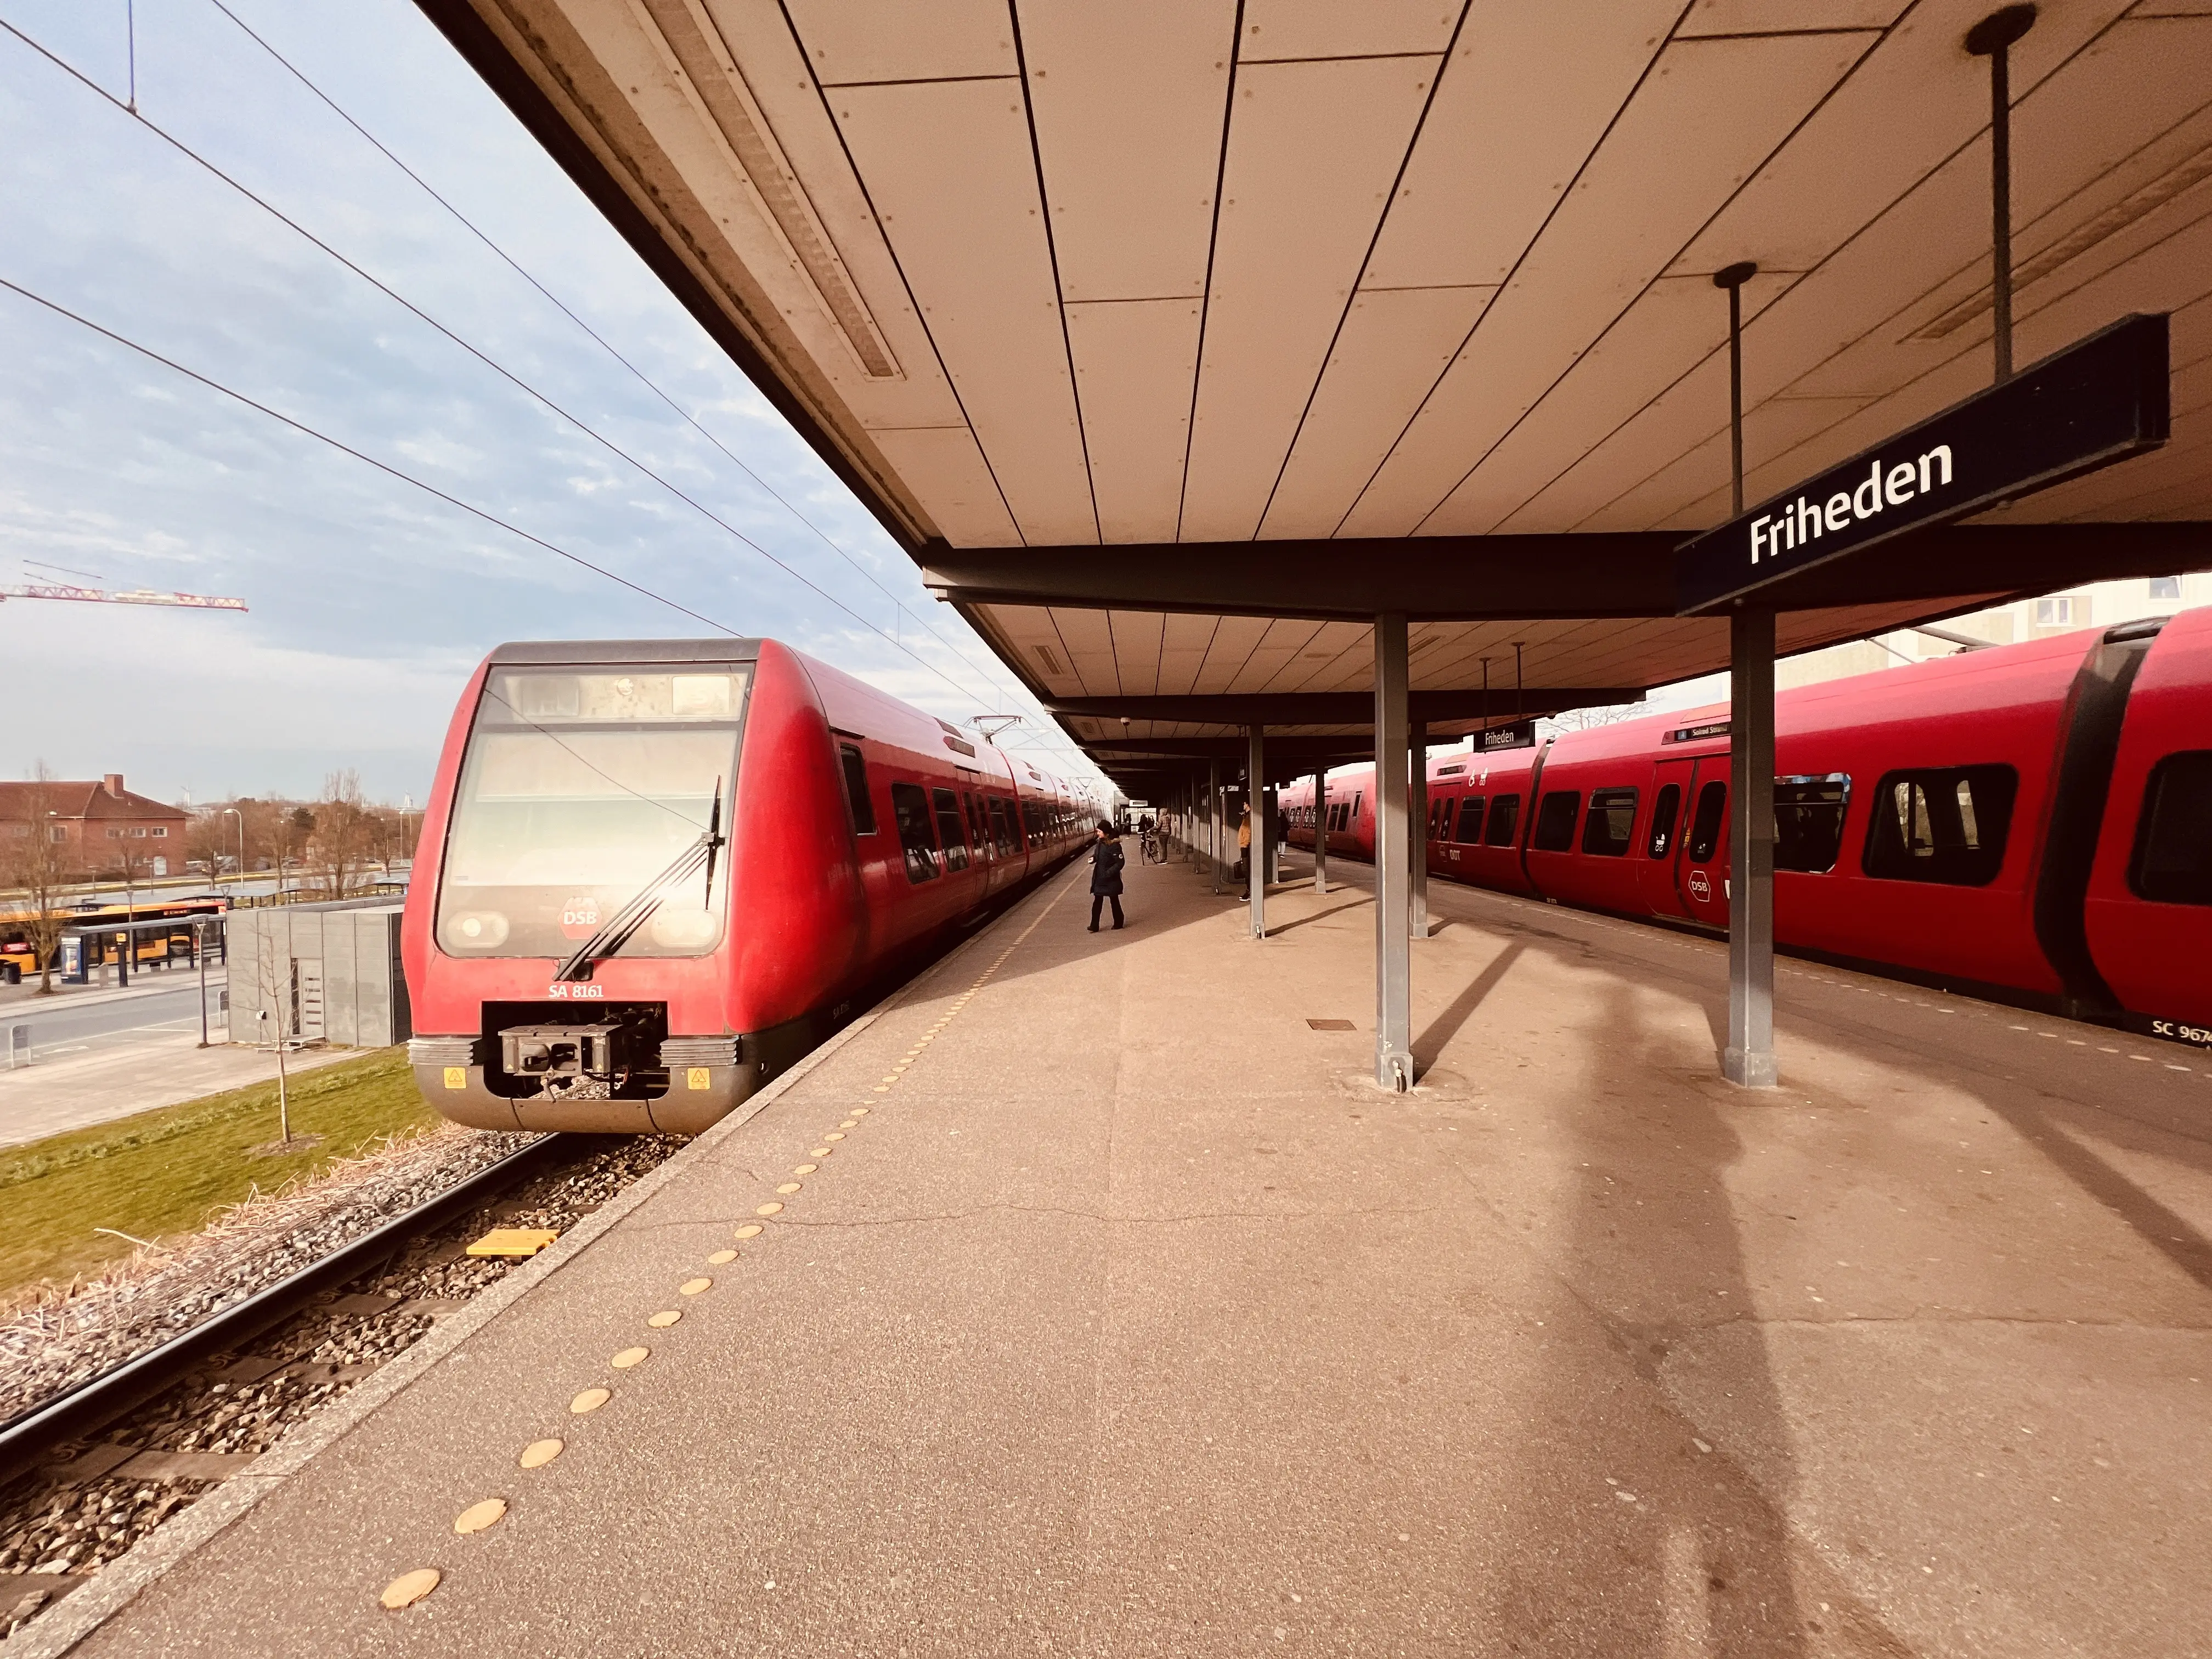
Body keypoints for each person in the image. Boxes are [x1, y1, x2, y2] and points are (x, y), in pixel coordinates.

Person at [1087, 822, 1125, 932]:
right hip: (1099, 877)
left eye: (1099, 831)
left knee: (1114, 900)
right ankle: (1094, 925)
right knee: (1097, 901)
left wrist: (1108, 873)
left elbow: (1120, 863)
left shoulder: (1115, 845)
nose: (1097, 833)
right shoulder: (1100, 843)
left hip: (1111, 879)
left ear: (1105, 832)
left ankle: (1119, 923)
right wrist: (1093, 859)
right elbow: (1098, 855)